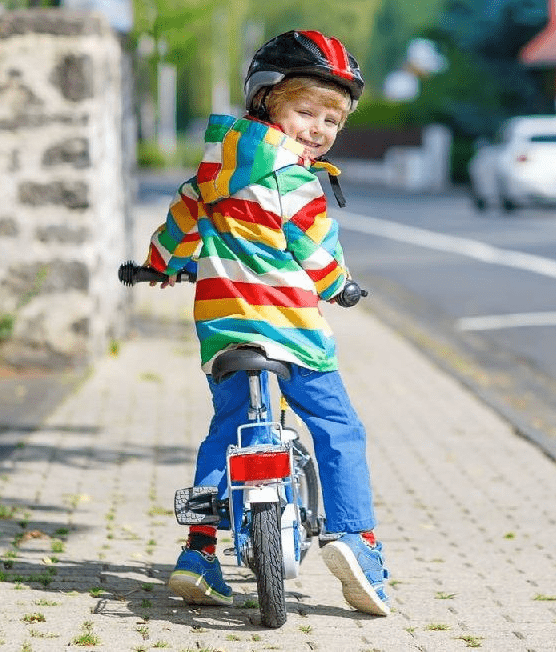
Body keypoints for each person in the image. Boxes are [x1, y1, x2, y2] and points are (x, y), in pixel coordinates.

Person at [144, 30, 390, 617]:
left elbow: (179, 227)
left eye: (332, 120)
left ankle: (199, 551)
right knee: (337, 425)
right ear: (264, 101)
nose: (319, 129)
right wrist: (339, 286)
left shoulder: (211, 171)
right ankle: (358, 540)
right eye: (306, 111)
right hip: (291, 328)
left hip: (225, 328)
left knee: (227, 428)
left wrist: (159, 265)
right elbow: (314, 248)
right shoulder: (296, 178)